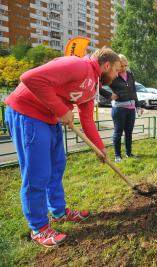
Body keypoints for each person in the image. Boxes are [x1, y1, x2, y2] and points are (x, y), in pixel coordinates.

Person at [4, 47, 121, 247]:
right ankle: (39, 228)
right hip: (27, 114)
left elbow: (86, 119)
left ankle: (58, 213)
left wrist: (100, 148)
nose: (118, 74)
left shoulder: (93, 84)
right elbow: (29, 77)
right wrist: (61, 109)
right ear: (107, 65)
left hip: (49, 118)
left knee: (57, 167)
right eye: (117, 70)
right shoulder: (78, 66)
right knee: (37, 174)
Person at [99, 54, 142, 163]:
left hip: (131, 108)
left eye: (125, 65)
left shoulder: (130, 74)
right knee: (118, 132)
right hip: (119, 109)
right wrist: (109, 95)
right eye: (121, 66)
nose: (123, 68)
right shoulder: (112, 74)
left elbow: (134, 91)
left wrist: (138, 105)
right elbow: (97, 86)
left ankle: (129, 153)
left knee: (129, 132)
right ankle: (118, 156)